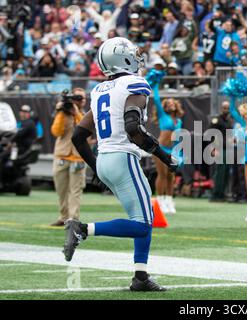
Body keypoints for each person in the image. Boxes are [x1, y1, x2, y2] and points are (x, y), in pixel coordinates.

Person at [68, 37, 178, 291]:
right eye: (132, 53)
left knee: (142, 215)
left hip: (105, 159)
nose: (137, 57)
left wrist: (97, 168)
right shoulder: (135, 84)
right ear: (123, 58)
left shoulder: (98, 90)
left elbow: (78, 136)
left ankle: (140, 276)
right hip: (123, 158)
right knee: (141, 225)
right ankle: (82, 229)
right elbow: (133, 128)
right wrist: (165, 157)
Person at [50, 88, 88, 227]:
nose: (78, 101)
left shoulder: (85, 115)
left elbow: (85, 131)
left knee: (75, 191)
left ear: (84, 101)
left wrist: (75, 112)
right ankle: (63, 217)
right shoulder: (62, 114)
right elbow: (56, 131)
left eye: (81, 98)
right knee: (61, 190)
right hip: (62, 155)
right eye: (76, 98)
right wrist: (61, 112)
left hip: (78, 157)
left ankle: (73, 219)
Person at [149, 70, 184, 215]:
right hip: (160, 148)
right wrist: (156, 84)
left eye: (172, 103)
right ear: (164, 107)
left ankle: (170, 200)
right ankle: (160, 200)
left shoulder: (179, 120)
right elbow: (156, 99)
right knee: (162, 175)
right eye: (167, 103)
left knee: (171, 176)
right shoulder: (163, 116)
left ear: (176, 105)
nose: (170, 104)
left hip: (174, 150)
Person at [209, 101, 233, 202]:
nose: (226, 110)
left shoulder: (229, 121)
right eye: (224, 108)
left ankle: (222, 193)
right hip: (219, 149)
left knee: (226, 172)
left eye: (227, 108)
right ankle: (215, 194)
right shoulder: (216, 120)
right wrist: (213, 149)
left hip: (227, 149)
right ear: (221, 109)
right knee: (219, 172)